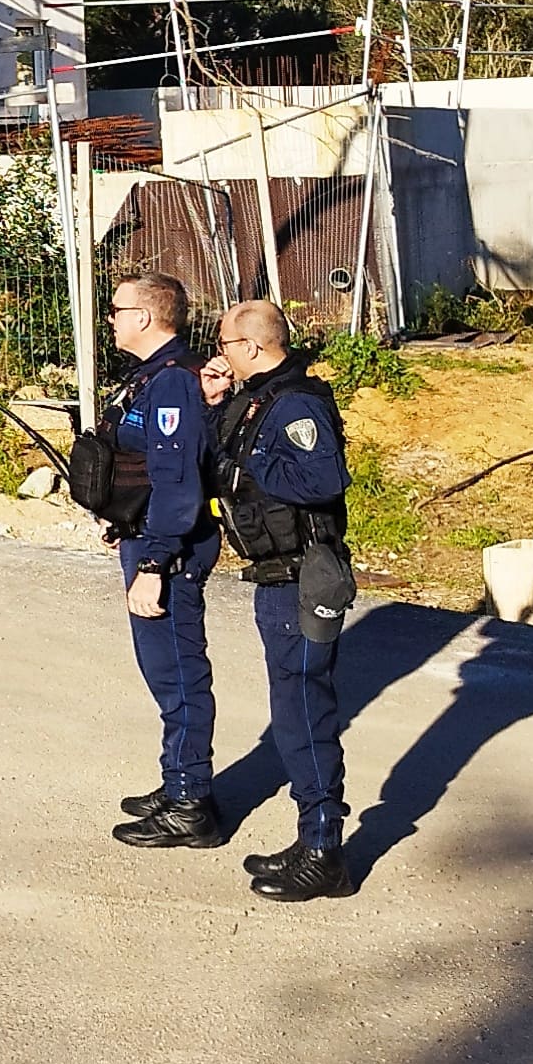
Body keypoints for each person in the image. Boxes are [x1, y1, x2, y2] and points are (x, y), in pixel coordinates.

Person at [207, 296, 359, 901]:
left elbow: (322, 479)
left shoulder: (296, 404)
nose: (219, 355)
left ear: (251, 346)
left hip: (303, 575)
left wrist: (254, 464)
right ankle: (312, 837)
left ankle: (325, 850)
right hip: (275, 575)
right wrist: (220, 407)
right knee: (293, 709)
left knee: (304, 709)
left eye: (224, 345)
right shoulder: (260, 397)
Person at [96, 274, 224, 848]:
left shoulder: (173, 384)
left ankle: (191, 804)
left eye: (118, 309)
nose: (111, 318)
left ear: (146, 317)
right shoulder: (154, 377)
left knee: (177, 675)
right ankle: (178, 783)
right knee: (163, 672)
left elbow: (177, 488)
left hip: (164, 550)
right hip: (144, 536)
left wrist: (154, 564)